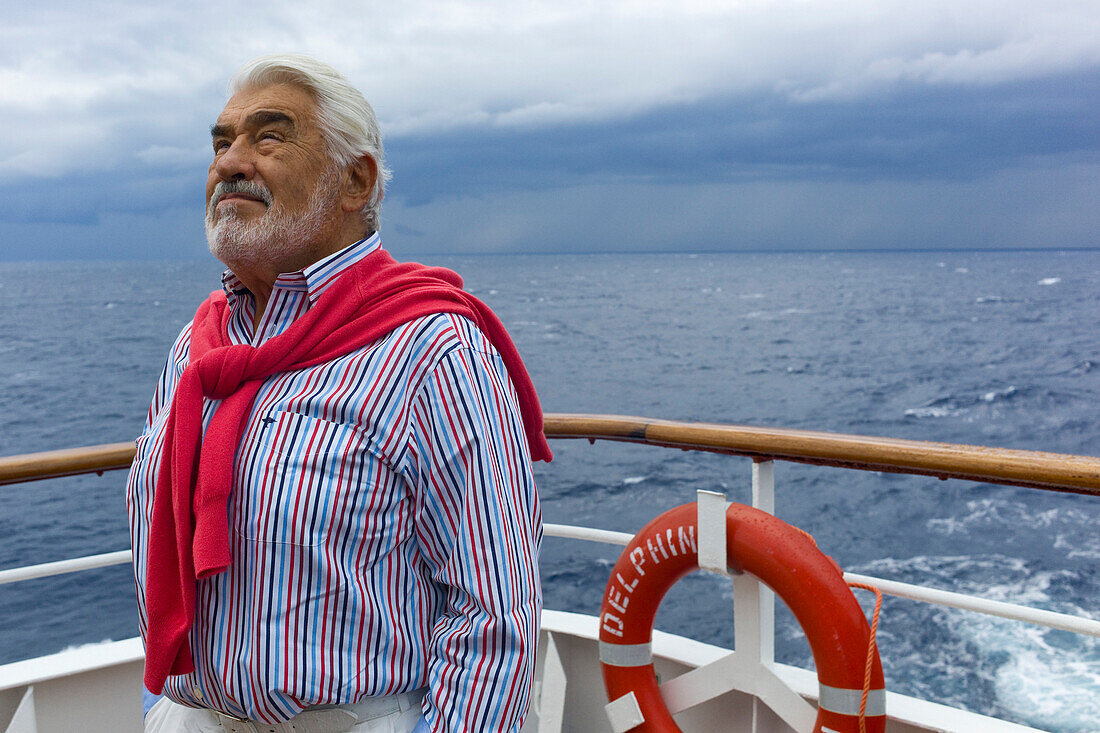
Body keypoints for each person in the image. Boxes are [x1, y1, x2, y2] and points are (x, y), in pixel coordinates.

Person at [126, 54, 551, 733]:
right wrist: (166, 707)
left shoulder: (432, 352)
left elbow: (495, 617)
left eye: (269, 137)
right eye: (221, 142)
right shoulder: (197, 348)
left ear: (355, 182)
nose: (231, 162)